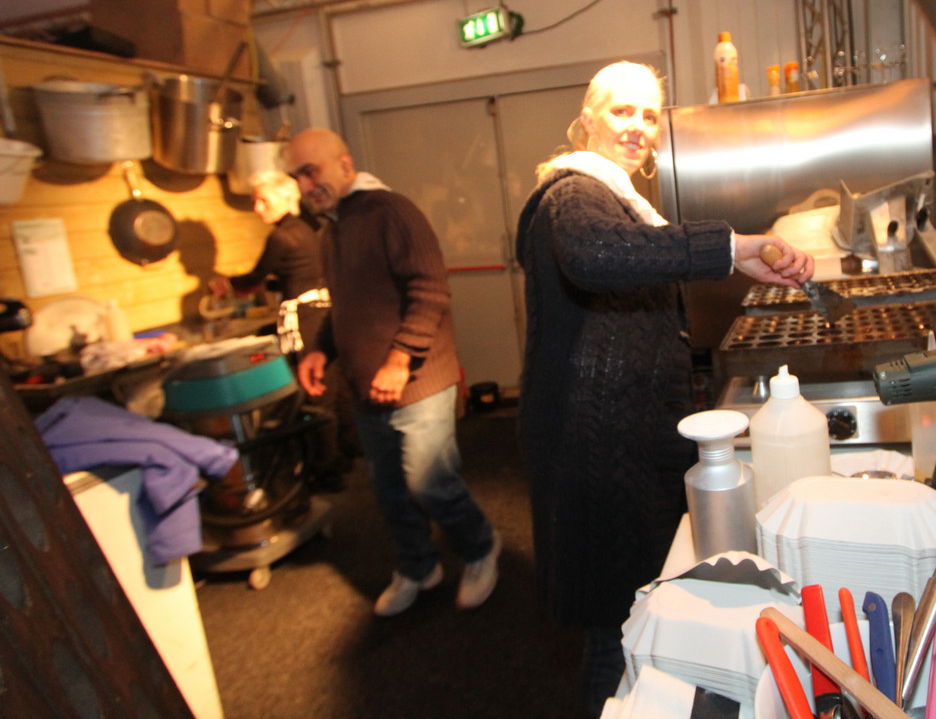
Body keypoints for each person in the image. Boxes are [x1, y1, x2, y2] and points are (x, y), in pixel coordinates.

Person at [514, 61, 814, 715]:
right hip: (592, 452)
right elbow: (597, 255)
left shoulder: (623, 201)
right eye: (622, 111)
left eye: (649, 115)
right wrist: (730, 248)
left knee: (638, 617)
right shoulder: (572, 192)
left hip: (623, 444)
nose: (637, 126)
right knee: (616, 633)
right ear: (587, 119)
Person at [283, 128, 502, 617]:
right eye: (296, 177)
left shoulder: (391, 212)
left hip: (419, 383)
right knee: (388, 491)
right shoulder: (330, 231)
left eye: (310, 172)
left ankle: (481, 546)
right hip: (368, 388)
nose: (304, 186)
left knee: (429, 482)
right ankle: (418, 566)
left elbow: (430, 292)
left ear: (344, 164)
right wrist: (320, 351)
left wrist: (400, 360)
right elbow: (345, 306)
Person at [208, 170, 356, 492]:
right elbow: (298, 276)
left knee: (315, 391)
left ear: (286, 199)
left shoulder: (281, 236)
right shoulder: (308, 230)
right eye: (256, 201)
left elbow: (254, 279)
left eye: (264, 201)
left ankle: (327, 470)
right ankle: (347, 454)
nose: (258, 208)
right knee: (336, 387)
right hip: (326, 312)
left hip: (305, 321)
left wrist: (225, 283)